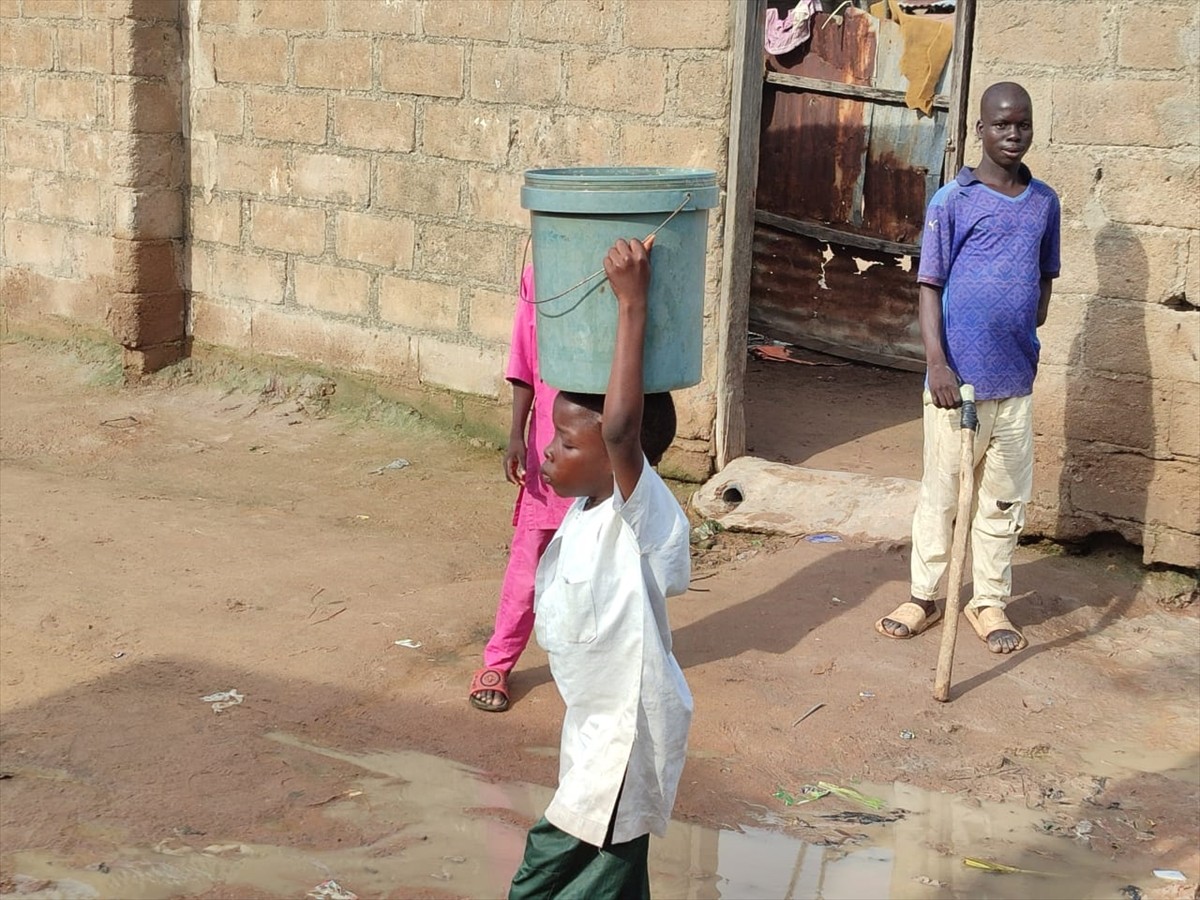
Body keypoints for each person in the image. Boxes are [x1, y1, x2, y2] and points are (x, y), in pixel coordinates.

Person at [508, 235, 692, 899]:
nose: (549, 452)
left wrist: (632, 305)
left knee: (545, 876)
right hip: (595, 730)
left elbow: (619, 430)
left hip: (624, 737)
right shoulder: (586, 514)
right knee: (610, 881)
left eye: (565, 440)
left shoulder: (635, 511)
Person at [876, 81, 1061, 655]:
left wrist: (1022, 335)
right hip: (957, 386)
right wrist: (938, 364)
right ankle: (925, 597)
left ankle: (989, 603)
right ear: (978, 129)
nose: (1013, 134)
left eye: (1022, 124)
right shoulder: (953, 201)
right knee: (944, 494)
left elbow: (1045, 279)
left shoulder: (1044, 202)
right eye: (1001, 124)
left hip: (1014, 385)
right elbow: (929, 286)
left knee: (1003, 501)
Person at [470, 265, 574, 712]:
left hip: (610, 446)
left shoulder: (631, 267)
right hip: (549, 442)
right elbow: (524, 357)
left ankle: (609, 666)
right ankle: (499, 659)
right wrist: (516, 433)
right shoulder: (543, 272)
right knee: (529, 560)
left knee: (612, 562)